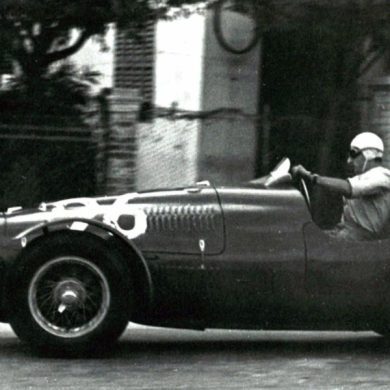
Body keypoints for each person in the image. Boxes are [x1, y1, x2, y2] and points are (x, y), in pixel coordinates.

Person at [293, 132, 390, 241]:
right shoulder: (360, 178)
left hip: (363, 242)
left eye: (353, 153)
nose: (349, 160)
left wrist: (312, 178)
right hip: (348, 236)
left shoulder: (383, 176)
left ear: (369, 153)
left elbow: (349, 189)